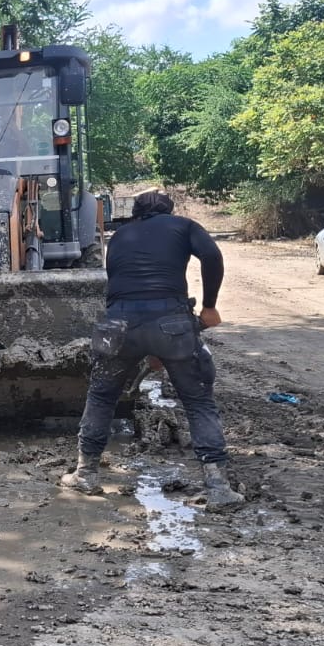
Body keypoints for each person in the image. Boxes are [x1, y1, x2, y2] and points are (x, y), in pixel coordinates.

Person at [60, 191, 246, 510]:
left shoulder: (119, 237)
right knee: (198, 401)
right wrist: (210, 306)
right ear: (169, 211)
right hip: (171, 325)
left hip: (118, 327)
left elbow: (124, 290)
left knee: (101, 397)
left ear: (135, 214)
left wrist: (146, 345)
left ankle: (85, 473)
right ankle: (218, 488)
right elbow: (212, 257)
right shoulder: (184, 226)